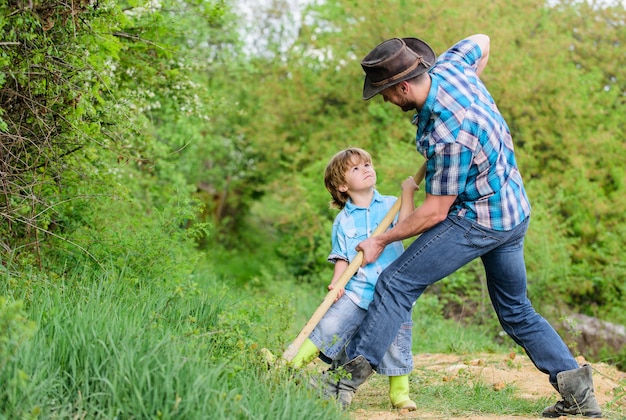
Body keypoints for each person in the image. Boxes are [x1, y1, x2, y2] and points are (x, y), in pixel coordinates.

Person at [319, 35, 602, 418]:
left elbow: (435, 212)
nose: (385, 101)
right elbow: (483, 40)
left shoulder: (448, 135)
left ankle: (342, 382)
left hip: (479, 221)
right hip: (513, 210)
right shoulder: (452, 68)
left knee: (396, 282)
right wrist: (471, 91)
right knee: (516, 310)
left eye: (385, 93)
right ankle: (580, 398)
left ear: (404, 86)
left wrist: (379, 240)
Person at [291, 147, 420, 410]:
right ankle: (291, 363)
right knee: (328, 326)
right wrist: (337, 283)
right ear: (341, 186)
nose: (366, 169)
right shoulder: (343, 220)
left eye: (368, 164)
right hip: (356, 289)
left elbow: (406, 227)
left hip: (393, 292)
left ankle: (400, 394)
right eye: (356, 168)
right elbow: (342, 257)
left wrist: (407, 193)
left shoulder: (390, 204)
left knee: (397, 342)